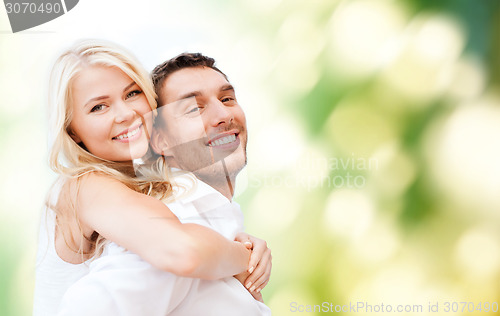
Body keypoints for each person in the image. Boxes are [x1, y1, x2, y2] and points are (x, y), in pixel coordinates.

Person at [33, 41, 269, 316]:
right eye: (98, 107)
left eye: (132, 93)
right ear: (72, 131)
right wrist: (244, 255)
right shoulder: (84, 186)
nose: (126, 114)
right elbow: (182, 251)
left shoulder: (156, 190)